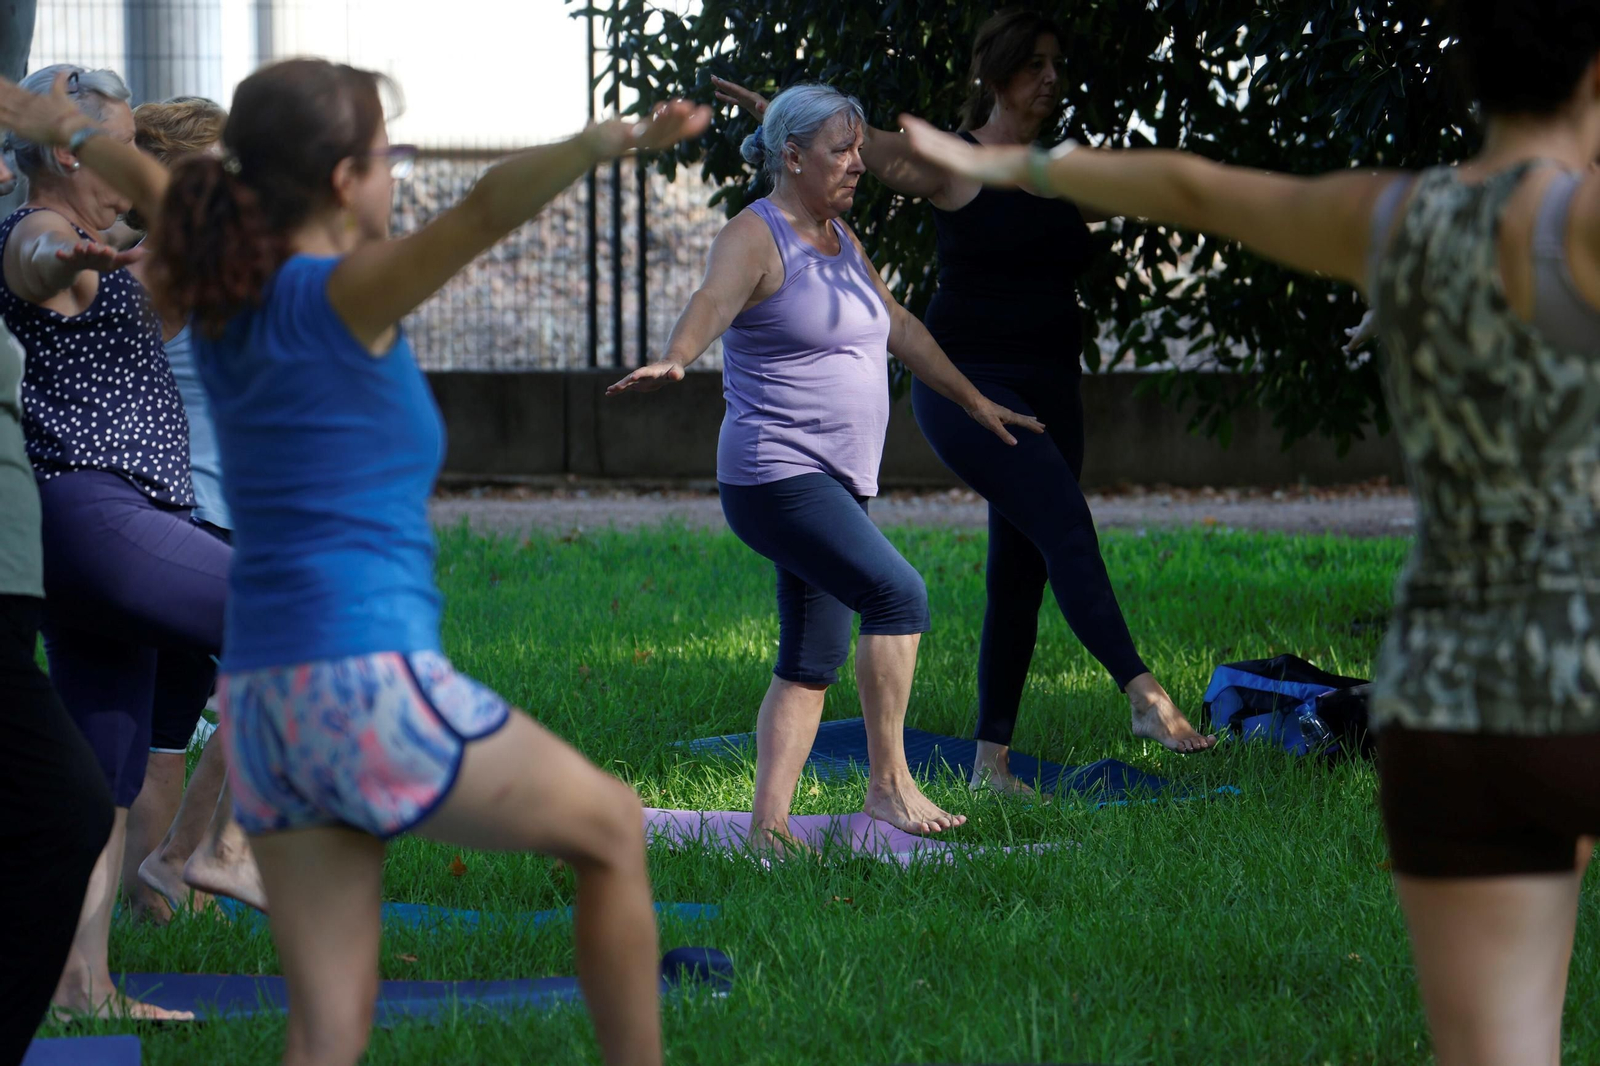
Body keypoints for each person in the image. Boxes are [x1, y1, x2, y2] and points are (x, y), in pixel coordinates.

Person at [898, 0, 1600, 1059]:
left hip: (1444, 677)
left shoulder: (1400, 217)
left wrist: (1000, 167)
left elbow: (1185, 186)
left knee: (1496, 1040)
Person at [0, 59, 708, 1066]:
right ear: (344, 179)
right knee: (612, 827)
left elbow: (149, 180)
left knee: (328, 1030)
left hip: (270, 708)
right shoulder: (338, 294)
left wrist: (55, 122)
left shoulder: (223, 269)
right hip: (361, 679)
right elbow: (481, 212)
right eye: (383, 156)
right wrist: (599, 144)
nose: (394, 175)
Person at [711, 11, 1213, 796]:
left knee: (1022, 565)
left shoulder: (1062, 170)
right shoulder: (955, 163)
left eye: (1055, 64)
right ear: (997, 74)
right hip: (968, 384)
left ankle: (992, 764)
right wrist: (779, 114)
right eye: (1032, 64)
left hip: (1052, 387)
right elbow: (862, 145)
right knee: (1065, 523)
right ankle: (1142, 690)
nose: (1050, 78)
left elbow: (1163, 190)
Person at [607, 83, 1044, 845]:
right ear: (793, 156)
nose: (857, 164)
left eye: (858, 149)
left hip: (836, 479)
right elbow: (713, 300)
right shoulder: (757, 234)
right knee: (899, 596)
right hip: (776, 473)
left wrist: (976, 401)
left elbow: (899, 326)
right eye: (840, 151)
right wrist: (678, 357)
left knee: (811, 660)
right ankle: (889, 785)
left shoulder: (843, 242)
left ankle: (767, 829)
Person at [0, 62, 219, 1021]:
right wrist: (69, 260)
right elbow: (37, 257)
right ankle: (212, 851)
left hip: (109, 527)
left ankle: (81, 985)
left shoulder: (103, 235)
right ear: (64, 150)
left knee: (103, 770)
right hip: (100, 518)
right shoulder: (42, 232)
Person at [113, 93, 261, 924]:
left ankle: (160, 908)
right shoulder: (190, 271)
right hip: (207, 521)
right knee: (292, 666)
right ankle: (190, 866)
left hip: (156, 515)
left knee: (160, 733)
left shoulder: (122, 264)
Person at [0, 143, 116, 1062]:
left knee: (68, 802)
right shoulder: (37, 230)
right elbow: (36, 256)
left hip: (14, 585)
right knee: (65, 807)